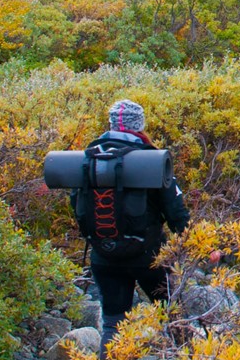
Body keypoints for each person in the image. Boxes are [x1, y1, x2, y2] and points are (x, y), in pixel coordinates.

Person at [77, 99, 189, 346]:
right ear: (139, 125)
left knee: (113, 323)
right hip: (148, 256)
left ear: (110, 125)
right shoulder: (152, 159)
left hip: (104, 254)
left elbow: (79, 209)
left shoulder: (88, 160)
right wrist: (197, 244)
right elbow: (176, 212)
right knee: (170, 310)